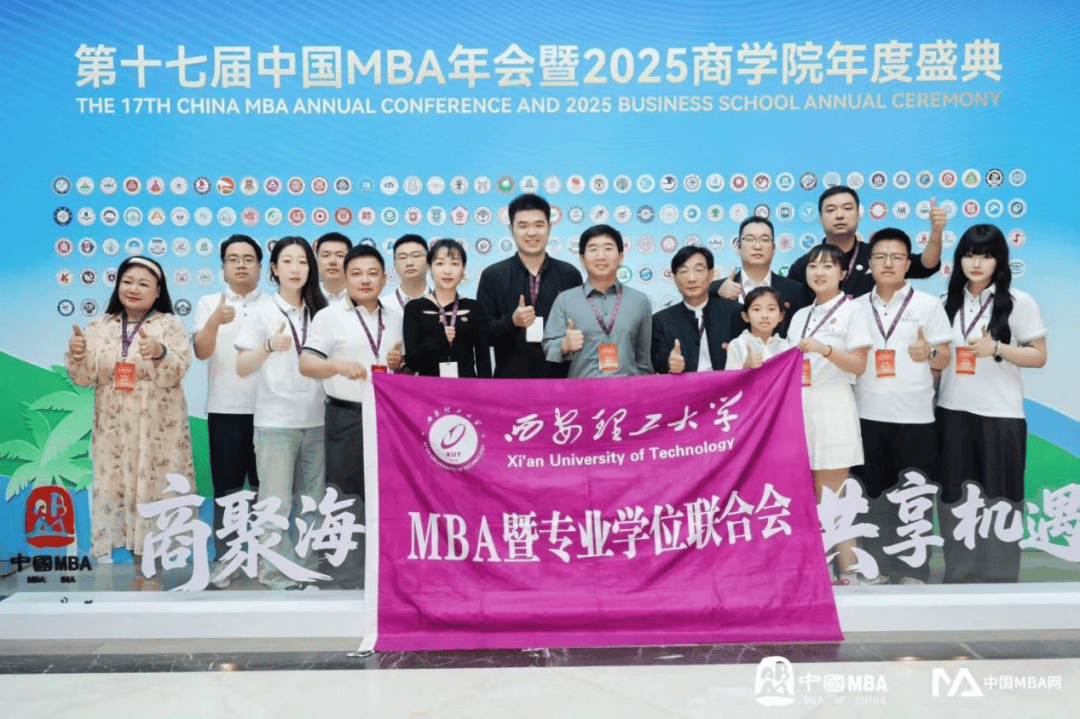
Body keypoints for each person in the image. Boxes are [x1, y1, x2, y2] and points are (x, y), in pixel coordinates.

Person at [65, 256, 195, 590]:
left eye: (143, 283)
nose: (133, 289)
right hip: (114, 429)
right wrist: (79, 355)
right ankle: (138, 571)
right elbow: (85, 378)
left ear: (158, 291)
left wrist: (161, 352)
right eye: (127, 281)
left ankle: (152, 572)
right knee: (120, 490)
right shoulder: (100, 326)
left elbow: (177, 371)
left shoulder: (169, 325)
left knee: (155, 491)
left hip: (157, 429)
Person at [937, 224, 1047, 583]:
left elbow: (1039, 356)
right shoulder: (947, 302)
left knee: (1002, 500)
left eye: (985, 255)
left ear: (999, 260)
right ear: (959, 259)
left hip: (1001, 415)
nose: (976, 263)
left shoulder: (1018, 301)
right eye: (969, 255)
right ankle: (960, 575)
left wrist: (997, 348)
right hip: (952, 412)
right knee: (955, 499)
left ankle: (1000, 579)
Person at [851, 228, 953, 585]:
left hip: (916, 419)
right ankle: (876, 568)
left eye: (896, 257)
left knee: (914, 498)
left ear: (908, 263)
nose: (888, 264)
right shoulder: (854, 308)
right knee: (872, 499)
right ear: (870, 263)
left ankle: (913, 571)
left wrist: (930, 353)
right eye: (880, 257)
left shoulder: (928, 305)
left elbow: (946, 357)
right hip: (867, 416)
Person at [300, 245, 403, 589]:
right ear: (344, 278)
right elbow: (306, 363)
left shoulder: (397, 317)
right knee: (345, 492)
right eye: (356, 273)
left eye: (373, 273)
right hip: (346, 416)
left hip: (389, 417)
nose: (365, 280)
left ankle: (383, 569)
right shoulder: (329, 316)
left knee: (387, 491)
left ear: (385, 278)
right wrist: (337, 365)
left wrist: (401, 363)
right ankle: (344, 571)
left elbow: (407, 369)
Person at [235, 236, 330, 590]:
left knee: (313, 503)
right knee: (275, 504)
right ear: (274, 268)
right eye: (287, 261)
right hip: (276, 423)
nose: (295, 268)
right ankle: (275, 572)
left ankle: (307, 567)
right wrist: (268, 346)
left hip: (316, 420)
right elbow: (242, 366)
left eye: (302, 261)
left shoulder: (322, 313)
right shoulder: (261, 312)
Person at [787, 244, 873, 585]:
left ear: (843, 273)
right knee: (805, 497)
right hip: (800, 408)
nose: (819, 272)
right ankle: (816, 573)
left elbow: (859, 365)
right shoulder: (799, 316)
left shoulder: (853, 311)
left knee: (833, 497)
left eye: (827, 266)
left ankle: (850, 572)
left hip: (834, 405)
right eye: (813, 266)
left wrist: (825, 349)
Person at [191, 234, 274, 573]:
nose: (241, 265)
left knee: (267, 491)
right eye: (233, 259)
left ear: (261, 267)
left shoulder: (274, 304)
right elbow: (201, 352)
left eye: (248, 259)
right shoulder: (209, 302)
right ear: (223, 267)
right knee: (227, 490)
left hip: (270, 411)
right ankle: (227, 561)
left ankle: (267, 560)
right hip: (225, 410)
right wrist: (214, 320)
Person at [477, 194, 584, 378]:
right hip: (510, 383)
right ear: (511, 229)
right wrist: (511, 322)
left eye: (539, 225)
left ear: (549, 227)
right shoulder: (492, 276)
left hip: (559, 383)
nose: (532, 233)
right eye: (523, 226)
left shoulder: (570, 275)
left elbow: (581, 331)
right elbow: (482, 336)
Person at [787, 186, 945, 304]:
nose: (839, 215)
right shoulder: (803, 266)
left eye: (847, 208)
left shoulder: (878, 254)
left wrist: (936, 232)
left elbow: (927, 265)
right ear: (820, 218)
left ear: (858, 215)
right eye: (831, 210)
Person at [543, 225, 653, 378]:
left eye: (608, 248)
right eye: (593, 249)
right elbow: (548, 348)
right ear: (582, 259)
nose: (601, 256)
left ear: (620, 257)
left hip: (626, 390)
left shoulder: (639, 301)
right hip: (582, 390)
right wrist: (564, 345)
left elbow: (644, 362)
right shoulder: (565, 300)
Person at [403, 239, 492, 378]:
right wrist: (439, 337)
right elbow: (412, 362)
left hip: (466, 388)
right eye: (440, 263)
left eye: (455, 263)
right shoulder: (414, 308)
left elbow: (484, 361)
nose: (447, 271)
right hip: (428, 388)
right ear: (429, 267)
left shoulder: (475, 308)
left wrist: (485, 390)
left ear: (463, 269)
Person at [651, 246, 741, 374]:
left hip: (728, 385)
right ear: (674, 278)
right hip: (684, 386)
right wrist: (669, 363)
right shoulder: (661, 321)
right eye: (683, 271)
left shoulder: (735, 313)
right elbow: (657, 359)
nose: (691, 279)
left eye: (698, 270)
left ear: (711, 275)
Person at [710, 216, 805, 336]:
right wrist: (716, 292)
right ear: (738, 246)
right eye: (750, 239)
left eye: (764, 240)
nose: (757, 246)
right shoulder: (717, 290)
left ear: (774, 248)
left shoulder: (795, 291)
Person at [724, 287, 792, 370]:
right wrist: (746, 367)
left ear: (781, 316)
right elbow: (730, 377)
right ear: (745, 316)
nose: (764, 316)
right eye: (757, 309)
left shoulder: (786, 346)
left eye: (771, 309)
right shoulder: (738, 345)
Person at [383, 234, 431, 311]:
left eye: (416, 256)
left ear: (428, 263)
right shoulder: (383, 306)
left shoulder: (445, 303)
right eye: (402, 257)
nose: (409, 263)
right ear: (394, 266)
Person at [314, 232, 353, 304]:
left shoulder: (363, 298)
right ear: (317, 261)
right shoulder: (306, 299)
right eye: (326, 255)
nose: (332, 261)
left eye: (340, 255)